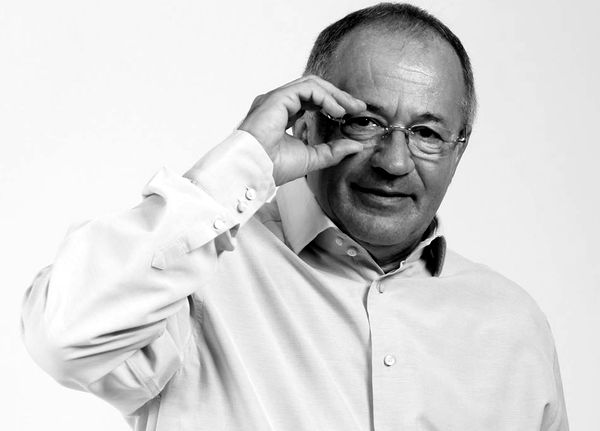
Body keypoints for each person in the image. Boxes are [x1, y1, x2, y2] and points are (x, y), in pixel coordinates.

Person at [21, 3, 568, 430]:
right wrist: (242, 162)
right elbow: (63, 336)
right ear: (308, 123)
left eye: (426, 133)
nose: (395, 162)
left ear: (458, 151)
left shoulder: (513, 324)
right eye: (366, 122)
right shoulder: (194, 274)